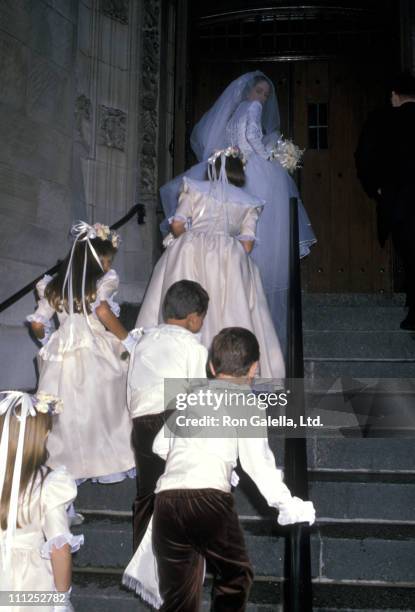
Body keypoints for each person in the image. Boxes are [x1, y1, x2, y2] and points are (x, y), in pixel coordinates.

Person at [123, 327, 315, 611]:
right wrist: (286, 505)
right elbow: (259, 464)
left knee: (178, 596)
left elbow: (160, 447)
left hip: (166, 501)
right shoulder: (247, 403)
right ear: (254, 369)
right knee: (235, 576)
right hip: (208, 501)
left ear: (211, 366)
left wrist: (212, 458)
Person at [160, 71, 316, 353]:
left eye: (266, 95)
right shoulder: (253, 109)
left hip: (235, 169)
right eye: (260, 92)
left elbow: (236, 137)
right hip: (255, 169)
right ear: (249, 92)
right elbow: (253, 137)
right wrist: (272, 158)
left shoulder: (235, 113)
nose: (263, 98)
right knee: (260, 230)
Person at [137, 147, 285, 379]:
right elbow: (246, 245)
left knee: (183, 301)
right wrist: (226, 246)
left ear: (213, 168)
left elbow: (177, 225)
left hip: (189, 252)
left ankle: (175, 370)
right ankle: (232, 365)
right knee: (230, 305)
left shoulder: (195, 188)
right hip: (229, 257)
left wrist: (191, 238)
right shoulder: (249, 202)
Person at [27, 221, 136, 482]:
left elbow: (37, 323)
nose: (109, 266)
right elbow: (102, 311)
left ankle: (67, 467)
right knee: (104, 405)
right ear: (97, 261)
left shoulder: (52, 286)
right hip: (95, 346)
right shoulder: (104, 281)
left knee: (67, 413)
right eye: (107, 261)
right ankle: (107, 461)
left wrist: (47, 340)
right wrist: (128, 339)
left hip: (63, 349)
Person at [128, 280, 209, 551]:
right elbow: (197, 392)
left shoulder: (144, 340)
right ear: (194, 319)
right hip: (174, 416)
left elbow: (132, 385)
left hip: (141, 421)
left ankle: (144, 557)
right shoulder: (193, 347)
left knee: (147, 492)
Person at [0, 391, 84, 611]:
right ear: (44, 435)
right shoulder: (48, 484)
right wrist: (61, 597)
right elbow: (59, 548)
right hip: (30, 584)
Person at [355, 73, 415, 330]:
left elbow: (365, 155)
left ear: (394, 94)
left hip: (399, 201)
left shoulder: (382, 119)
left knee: (410, 253)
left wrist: (377, 188)